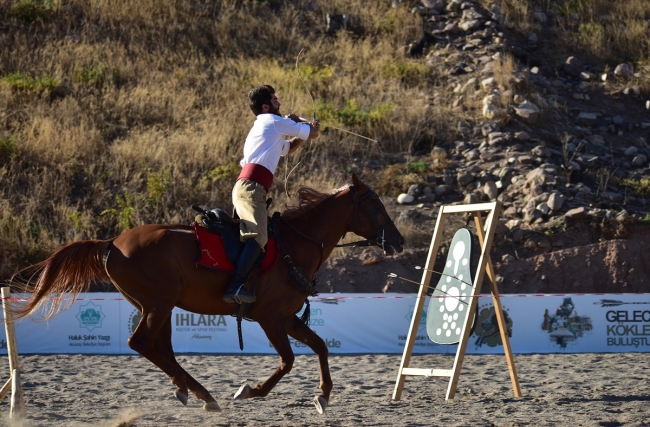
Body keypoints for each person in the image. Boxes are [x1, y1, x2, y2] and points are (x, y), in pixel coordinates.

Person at [223, 84, 320, 304]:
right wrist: (304, 125)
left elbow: (288, 149)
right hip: (251, 187)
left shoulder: (267, 125)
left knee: (257, 237)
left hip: (249, 187)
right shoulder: (273, 121)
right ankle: (236, 285)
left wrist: (300, 128)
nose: (280, 103)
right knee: (260, 237)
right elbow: (313, 134)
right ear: (266, 106)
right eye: (275, 100)